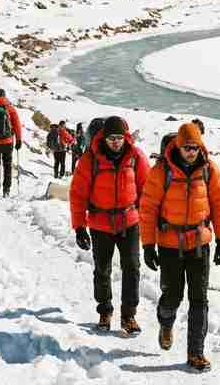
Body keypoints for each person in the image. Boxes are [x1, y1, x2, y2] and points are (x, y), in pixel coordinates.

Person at [140, 122, 220, 373]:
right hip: (169, 244)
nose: (191, 152)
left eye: (195, 147)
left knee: (199, 299)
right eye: (186, 147)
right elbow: (147, 209)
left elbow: (219, 204)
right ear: (177, 147)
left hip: (199, 242)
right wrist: (148, 245)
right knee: (173, 296)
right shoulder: (161, 172)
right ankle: (166, 323)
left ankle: (196, 353)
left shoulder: (209, 170)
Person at [70, 115, 151, 334]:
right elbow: (78, 194)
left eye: (119, 137)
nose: (115, 142)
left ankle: (129, 316)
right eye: (111, 138)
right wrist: (79, 226)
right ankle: (105, 311)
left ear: (125, 137)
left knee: (132, 268)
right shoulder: (90, 159)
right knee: (102, 270)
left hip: (130, 221)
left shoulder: (136, 156)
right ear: (103, 138)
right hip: (100, 223)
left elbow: (148, 190)